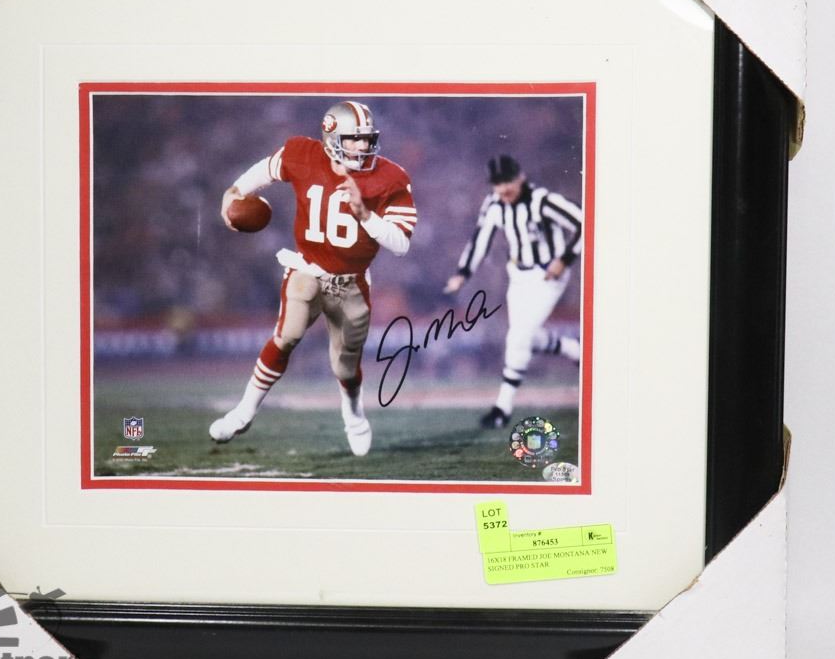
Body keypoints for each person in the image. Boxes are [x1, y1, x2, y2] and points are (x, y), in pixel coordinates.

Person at [209, 100, 416, 456]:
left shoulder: (391, 177)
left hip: (351, 280)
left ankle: (353, 414)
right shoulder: (303, 154)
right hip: (307, 268)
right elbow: (267, 169)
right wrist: (235, 192)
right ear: (332, 138)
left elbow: (401, 244)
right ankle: (244, 411)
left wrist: (365, 214)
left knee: (344, 364)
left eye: (367, 139)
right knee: (286, 335)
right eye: (354, 139)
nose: (363, 146)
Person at [444, 154, 582, 429]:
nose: (504, 188)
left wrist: (565, 259)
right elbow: (480, 240)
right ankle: (573, 349)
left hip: (547, 275)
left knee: (518, 337)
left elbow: (586, 222)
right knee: (523, 336)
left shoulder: (542, 201)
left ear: (520, 177)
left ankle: (502, 408)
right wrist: (463, 272)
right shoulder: (494, 205)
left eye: (507, 181)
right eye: (497, 183)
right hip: (518, 276)